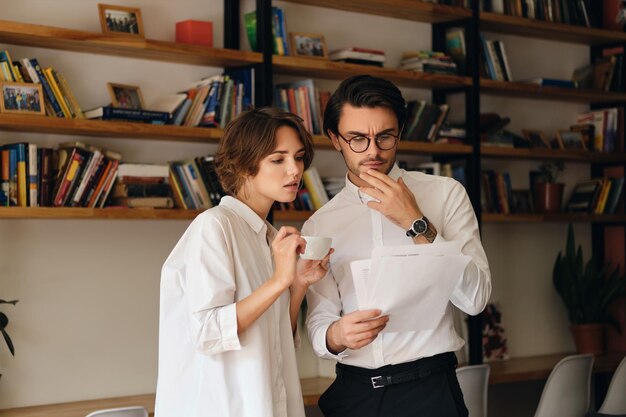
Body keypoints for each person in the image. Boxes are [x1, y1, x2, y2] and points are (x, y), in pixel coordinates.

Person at [303, 75, 491, 417]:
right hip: (355, 396)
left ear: (399, 133)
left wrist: (415, 222)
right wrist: (337, 335)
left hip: (432, 392)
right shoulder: (320, 224)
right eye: (358, 139)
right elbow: (319, 324)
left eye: (384, 137)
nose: (373, 151)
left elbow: (476, 300)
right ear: (335, 139)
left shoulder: (446, 194)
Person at [155, 108, 332, 417]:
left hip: (270, 402)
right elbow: (209, 332)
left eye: (299, 157)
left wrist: (298, 284)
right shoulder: (214, 226)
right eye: (278, 160)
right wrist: (279, 280)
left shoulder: (270, 237)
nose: (294, 170)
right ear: (244, 166)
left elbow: (276, 337)